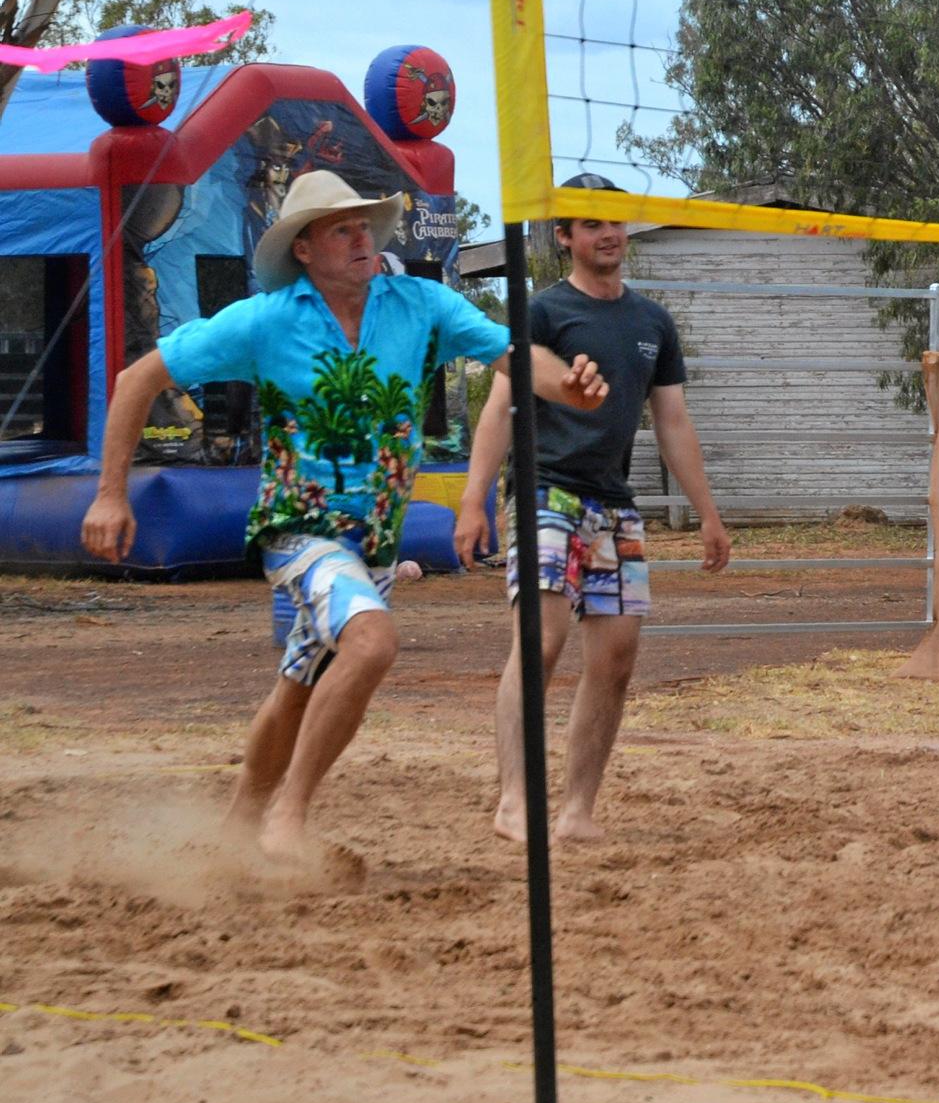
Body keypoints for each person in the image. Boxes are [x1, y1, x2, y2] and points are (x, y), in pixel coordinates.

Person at [80, 171, 607, 863]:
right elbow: (135, 380)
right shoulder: (268, 318)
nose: (363, 239)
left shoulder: (422, 305)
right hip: (298, 527)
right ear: (303, 249)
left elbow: (511, 356)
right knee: (371, 643)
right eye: (342, 229)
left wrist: (566, 386)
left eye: (366, 226)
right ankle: (289, 817)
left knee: (300, 685)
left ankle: (238, 828)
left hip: (377, 545)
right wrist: (110, 493)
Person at [456, 174, 731, 846]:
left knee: (616, 658)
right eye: (592, 224)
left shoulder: (651, 322)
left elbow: (672, 422)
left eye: (615, 222)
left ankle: (577, 811)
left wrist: (709, 512)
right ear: (565, 237)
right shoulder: (545, 313)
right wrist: (474, 500)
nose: (609, 234)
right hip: (547, 491)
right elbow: (500, 407)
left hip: (613, 504)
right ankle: (515, 801)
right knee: (541, 643)